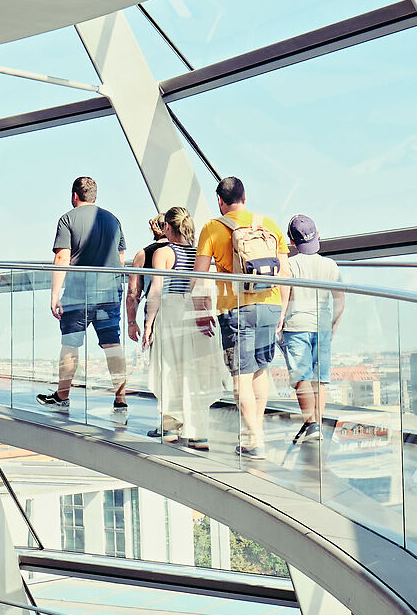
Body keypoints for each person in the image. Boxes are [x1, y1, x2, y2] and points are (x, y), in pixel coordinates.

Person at [196, 177, 287, 459]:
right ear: (245, 198)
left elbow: (200, 277)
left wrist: (201, 310)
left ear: (220, 201)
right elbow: (284, 274)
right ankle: (253, 432)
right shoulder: (268, 225)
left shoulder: (213, 227)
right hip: (270, 305)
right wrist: (281, 312)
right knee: (260, 370)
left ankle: (255, 438)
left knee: (240, 376)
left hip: (235, 310)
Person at [42, 176, 129, 409]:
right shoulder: (113, 220)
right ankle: (120, 398)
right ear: (94, 195)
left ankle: (62, 396)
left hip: (78, 294)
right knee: (112, 344)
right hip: (110, 293)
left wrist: (54, 295)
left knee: (71, 344)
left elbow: (62, 258)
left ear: (74, 196)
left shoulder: (67, 219)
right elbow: (120, 260)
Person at [139, 207, 221, 449]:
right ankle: (197, 431)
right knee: (193, 373)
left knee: (169, 369)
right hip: (197, 313)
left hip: (172, 312)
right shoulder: (200, 253)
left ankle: (170, 426)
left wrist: (148, 323)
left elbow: (155, 291)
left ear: (166, 228)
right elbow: (205, 288)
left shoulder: (164, 253)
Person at [279, 215, 343, 442]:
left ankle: (311, 424)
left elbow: (284, 296)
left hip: (296, 325)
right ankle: (317, 423)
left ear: (292, 241)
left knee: (301, 377)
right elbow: (340, 299)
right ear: (317, 236)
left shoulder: (289, 265)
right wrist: (333, 324)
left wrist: (280, 323)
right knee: (320, 378)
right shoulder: (330, 266)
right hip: (323, 326)